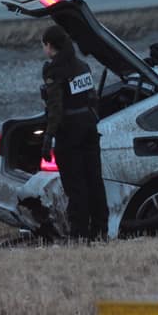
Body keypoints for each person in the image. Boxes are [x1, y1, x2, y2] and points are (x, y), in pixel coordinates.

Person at [40, 25, 108, 241]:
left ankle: (79, 234)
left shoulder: (54, 71)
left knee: (75, 185)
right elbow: (93, 99)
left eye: (44, 45)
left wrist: (48, 137)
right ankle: (100, 231)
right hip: (89, 128)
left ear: (50, 45)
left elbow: (55, 109)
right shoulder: (83, 66)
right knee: (94, 182)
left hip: (69, 133)